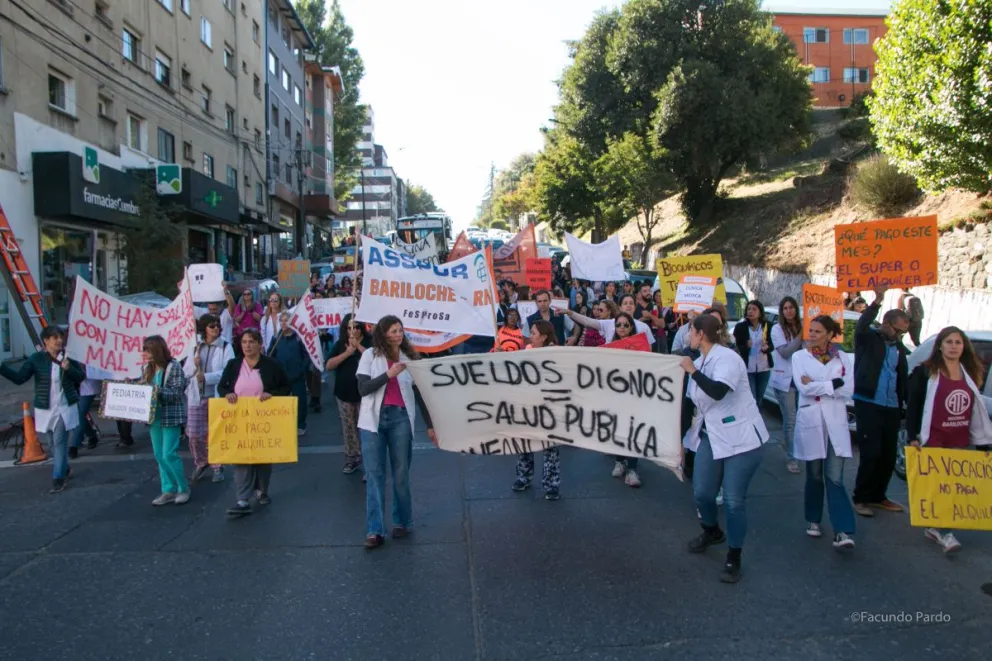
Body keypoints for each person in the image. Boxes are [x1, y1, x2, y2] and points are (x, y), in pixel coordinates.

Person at [679, 313, 770, 583]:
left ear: (701, 335)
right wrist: (679, 438)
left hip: (743, 440)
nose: (687, 336)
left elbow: (718, 391)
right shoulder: (700, 360)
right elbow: (690, 405)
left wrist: (692, 371)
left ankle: (734, 556)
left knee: (732, 500)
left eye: (690, 331)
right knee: (703, 493)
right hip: (712, 435)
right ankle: (711, 531)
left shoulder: (728, 358)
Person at [905, 327, 992, 553]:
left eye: (958, 342)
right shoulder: (925, 372)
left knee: (954, 488)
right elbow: (914, 405)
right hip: (934, 437)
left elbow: (975, 409)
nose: (954, 346)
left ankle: (936, 526)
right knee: (939, 487)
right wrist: (912, 436)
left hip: (959, 439)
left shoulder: (970, 373)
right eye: (949, 342)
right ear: (940, 346)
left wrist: (983, 445)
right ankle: (944, 531)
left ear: (964, 347)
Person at [356, 316, 436, 549]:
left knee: (401, 474)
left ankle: (401, 521)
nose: (398, 334)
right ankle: (375, 529)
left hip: (401, 418)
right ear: (382, 333)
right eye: (393, 331)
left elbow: (420, 394)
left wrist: (430, 424)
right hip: (374, 420)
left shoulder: (410, 358)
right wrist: (388, 375)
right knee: (375, 475)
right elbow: (363, 388)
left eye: (400, 330)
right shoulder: (370, 356)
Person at [792, 315, 857, 549]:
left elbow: (849, 388)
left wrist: (823, 387)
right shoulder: (800, 357)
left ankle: (842, 530)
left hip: (836, 422)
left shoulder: (843, 358)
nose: (813, 335)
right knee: (815, 474)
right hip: (812, 419)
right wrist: (833, 384)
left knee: (835, 477)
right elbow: (804, 387)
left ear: (830, 334)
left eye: (819, 332)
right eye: (812, 331)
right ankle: (814, 519)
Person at [0, 326, 85, 493]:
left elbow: (80, 377)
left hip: (65, 406)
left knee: (59, 441)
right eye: (55, 338)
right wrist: (2, 368)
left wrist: (69, 369)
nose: (59, 340)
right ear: (46, 341)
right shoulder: (36, 359)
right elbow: (19, 378)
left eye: (60, 337)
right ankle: (65, 468)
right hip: (46, 408)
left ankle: (58, 478)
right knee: (52, 442)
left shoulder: (68, 357)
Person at [217, 329, 291, 518]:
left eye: (251, 342)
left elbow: (286, 386)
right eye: (244, 342)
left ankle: (262, 490)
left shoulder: (272, 365)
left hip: (264, 419)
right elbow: (222, 385)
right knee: (242, 458)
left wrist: (271, 394)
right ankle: (242, 499)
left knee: (262, 458)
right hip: (239, 419)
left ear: (259, 344)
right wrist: (228, 393)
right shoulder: (233, 365)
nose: (247, 346)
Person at [852, 286, 911, 517]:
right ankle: (861, 497)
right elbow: (861, 325)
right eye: (898, 330)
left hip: (892, 406)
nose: (900, 335)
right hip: (868, 403)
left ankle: (879, 496)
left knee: (887, 456)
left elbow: (902, 376)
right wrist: (877, 300)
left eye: (904, 332)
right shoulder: (868, 339)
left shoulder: (899, 348)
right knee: (871, 453)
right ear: (887, 324)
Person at [512, 320, 563, 499]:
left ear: (543, 336)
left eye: (533, 333)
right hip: (528, 405)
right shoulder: (526, 351)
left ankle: (551, 484)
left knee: (550, 446)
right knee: (525, 442)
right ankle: (524, 477)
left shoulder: (557, 353)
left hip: (549, 407)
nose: (529, 336)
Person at [142, 336, 191, 506]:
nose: (145, 353)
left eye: (148, 350)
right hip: (154, 417)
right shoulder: (147, 369)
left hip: (170, 416)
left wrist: (156, 391)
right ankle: (168, 489)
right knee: (159, 455)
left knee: (169, 453)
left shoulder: (174, 367)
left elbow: (177, 393)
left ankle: (183, 488)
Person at [185, 313, 234, 483]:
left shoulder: (225, 347)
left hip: (216, 396)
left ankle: (217, 466)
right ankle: (202, 461)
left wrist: (206, 377)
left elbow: (228, 371)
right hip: (197, 396)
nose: (216, 328)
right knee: (193, 434)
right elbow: (186, 372)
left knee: (215, 434)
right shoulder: (195, 347)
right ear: (204, 328)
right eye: (212, 326)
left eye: (217, 325)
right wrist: (194, 364)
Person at [325, 313, 372, 475]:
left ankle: (370, 463)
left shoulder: (369, 343)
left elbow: (376, 361)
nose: (354, 331)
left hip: (365, 394)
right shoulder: (340, 344)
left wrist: (358, 348)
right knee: (349, 428)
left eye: (357, 327)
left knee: (367, 430)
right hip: (344, 394)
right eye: (350, 327)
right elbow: (329, 365)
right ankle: (352, 458)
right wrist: (347, 353)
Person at [770, 296, 803, 473]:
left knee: (801, 419)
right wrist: (800, 336)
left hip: (803, 380)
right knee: (790, 420)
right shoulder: (777, 329)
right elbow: (785, 352)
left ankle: (798, 449)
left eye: (791, 307)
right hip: (785, 381)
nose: (789, 311)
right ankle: (792, 458)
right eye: (785, 308)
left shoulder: (803, 328)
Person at [267, 311, 310, 435]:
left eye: (286, 320)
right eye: (282, 320)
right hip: (281, 376)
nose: (284, 323)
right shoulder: (276, 338)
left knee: (299, 401)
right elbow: (270, 355)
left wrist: (300, 369)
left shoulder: (298, 337)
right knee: (281, 401)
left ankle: (300, 424)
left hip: (296, 375)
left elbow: (306, 356)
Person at [733, 300, 774, 406]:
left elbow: (773, 345)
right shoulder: (740, 327)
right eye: (749, 309)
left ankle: (756, 420)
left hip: (764, 368)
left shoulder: (768, 326)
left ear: (760, 312)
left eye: (754, 309)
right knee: (752, 399)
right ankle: (751, 421)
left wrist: (767, 348)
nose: (750, 311)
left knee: (759, 398)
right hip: (748, 369)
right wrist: (746, 346)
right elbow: (735, 348)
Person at [70, 364, 106, 458]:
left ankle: (75, 445)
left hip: (88, 384)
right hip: (72, 385)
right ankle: (91, 435)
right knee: (78, 412)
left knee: (80, 412)